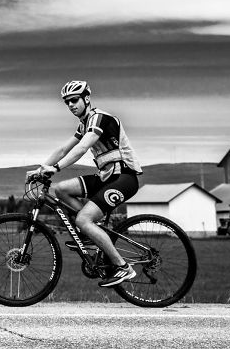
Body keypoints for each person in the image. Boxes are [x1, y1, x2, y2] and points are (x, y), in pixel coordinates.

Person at [27, 80, 143, 288]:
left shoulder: (99, 118)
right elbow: (63, 149)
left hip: (124, 177)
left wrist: (56, 168)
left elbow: (81, 148)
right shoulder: (84, 123)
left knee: (82, 219)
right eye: (67, 102)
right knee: (61, 190)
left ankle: (123, 267)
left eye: (74, 100)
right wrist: (41, 169)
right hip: (106, 176)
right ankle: (91, 232)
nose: (71, 105)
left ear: (86, 98)